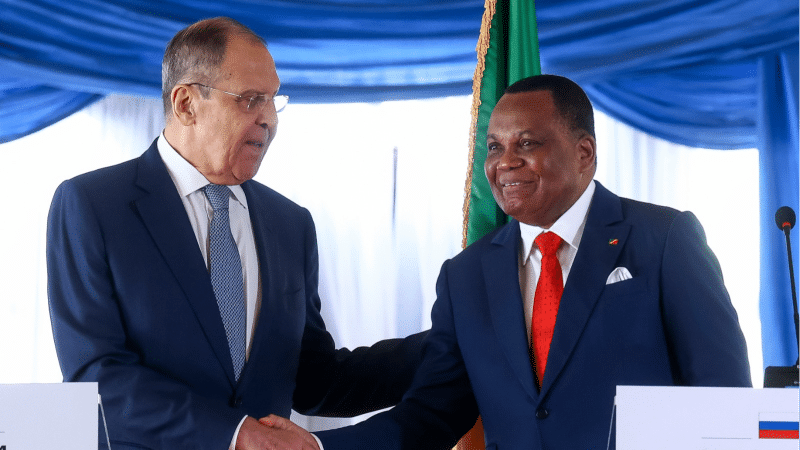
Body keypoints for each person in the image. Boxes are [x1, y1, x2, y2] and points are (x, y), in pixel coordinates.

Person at [291, 74, 751, 449]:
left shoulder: (664, 239)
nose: (504, 163)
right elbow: (431, 413)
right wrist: (318, 448)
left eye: (526, 144)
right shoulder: (467, 275)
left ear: (584, 153)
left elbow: (724, 400)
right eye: (494, 146)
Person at [47, 17, 425, 450]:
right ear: (186, 103)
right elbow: (96, 375)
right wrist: (232, 433)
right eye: (250, 100)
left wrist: (455, 343)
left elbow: (316, 380)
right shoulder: (93, 205)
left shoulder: (291, 224)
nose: (268, 119)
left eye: (272, 101)